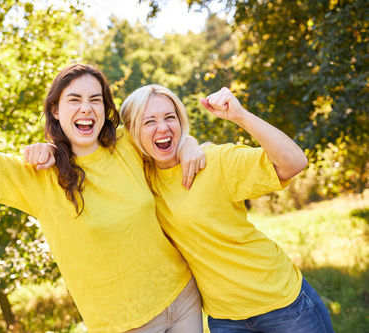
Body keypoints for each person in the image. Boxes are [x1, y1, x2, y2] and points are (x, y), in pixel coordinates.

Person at [0, 24, 207, 332]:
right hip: (122, 326)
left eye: (95, 99)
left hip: (182, 299)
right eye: (74, 99)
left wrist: (189, 143)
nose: (87, 109)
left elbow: (166, 133)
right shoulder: (38, 175)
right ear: (55, 110)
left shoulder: (126, 144)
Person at [118, 84, 335, 333]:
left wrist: (240, 116)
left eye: (170, 117)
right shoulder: (141, 178)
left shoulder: (214, 161)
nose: (164, 127)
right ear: (133, 130)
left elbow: (294, 163)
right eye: (149, 121)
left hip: (282, 304)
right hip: (225, 319)